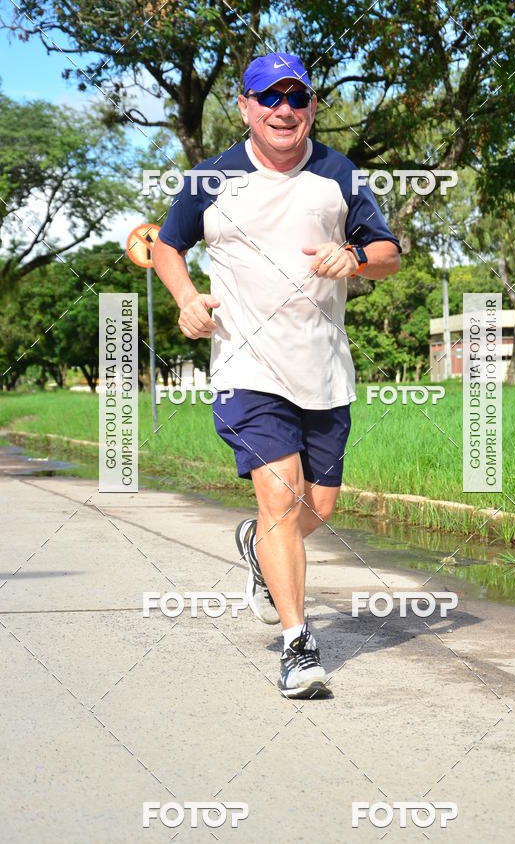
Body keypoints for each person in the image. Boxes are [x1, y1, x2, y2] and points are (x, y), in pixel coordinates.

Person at [153, 52, 401, 698]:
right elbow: (165, 244)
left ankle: (260, 549)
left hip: (322, 366)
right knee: (282, 500)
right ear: (244, 107)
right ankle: (298, 645)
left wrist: (353, 256)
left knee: (318, 506)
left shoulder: (337, 174)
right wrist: (185, 299)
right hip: (246, 366)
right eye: (269, 97)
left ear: (313, 107)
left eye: (297, 97)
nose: (284, 109)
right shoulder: (211, 180)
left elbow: (388, 254)